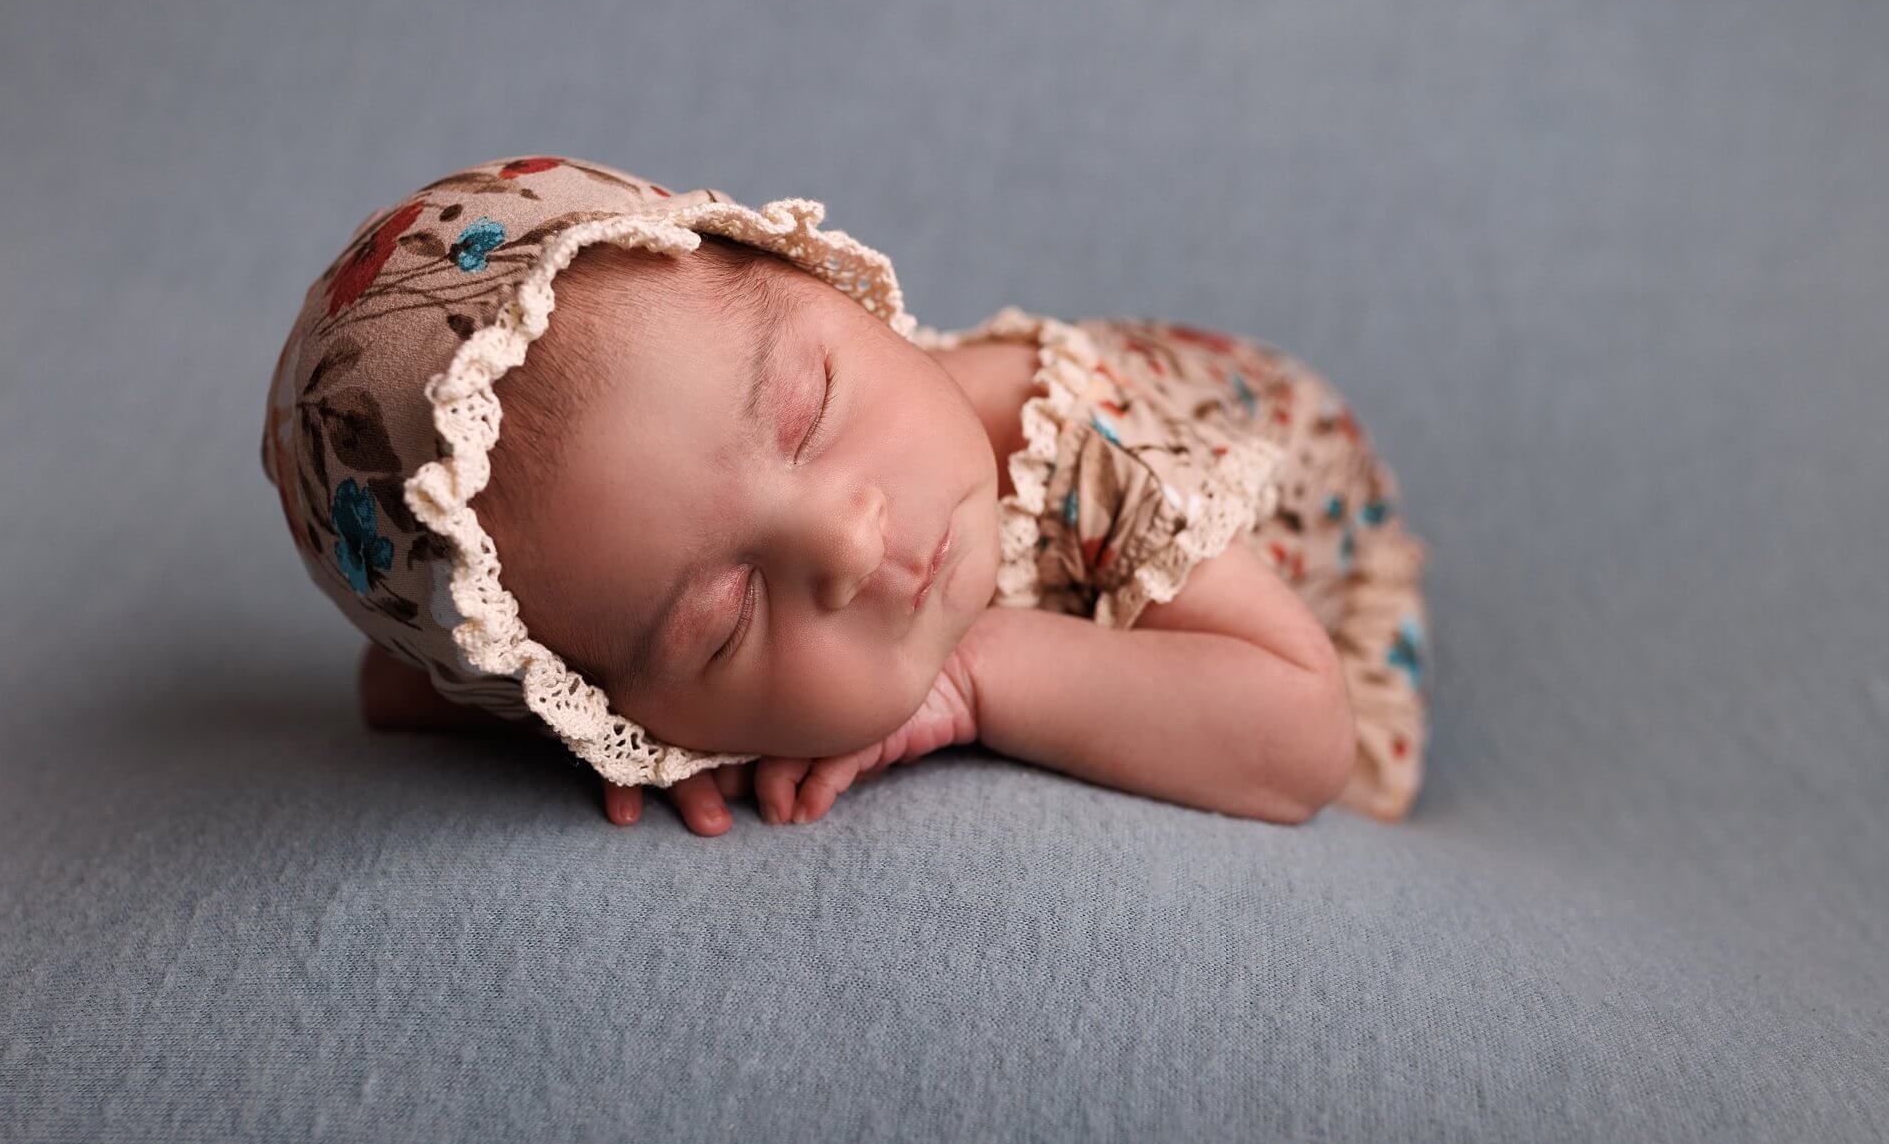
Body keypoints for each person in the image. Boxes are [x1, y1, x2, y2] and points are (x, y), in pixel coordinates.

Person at [264, 155, 1431, 836]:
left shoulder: (1093, 451)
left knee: (1355, 794)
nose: (845, 537)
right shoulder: (562, 646)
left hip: (1309, 525)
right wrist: (622, 745)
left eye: (811, 407)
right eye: (719, 619)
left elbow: (1299, 738)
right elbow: (398, 687)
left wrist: (976, 676)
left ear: (838, 295)